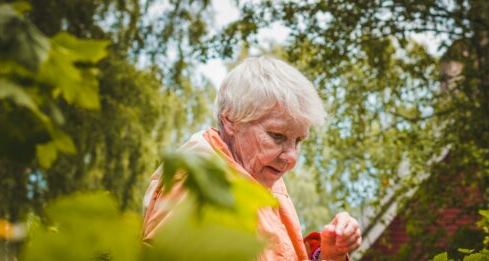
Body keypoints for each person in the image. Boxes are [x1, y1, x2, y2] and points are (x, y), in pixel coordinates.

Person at [141, 56, 362, 260]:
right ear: (231, 120)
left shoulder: (260, 176)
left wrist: (329, 255)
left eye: (298, 141)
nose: (291, 157)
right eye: (277, 136)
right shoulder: (198, 184)